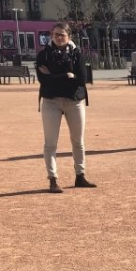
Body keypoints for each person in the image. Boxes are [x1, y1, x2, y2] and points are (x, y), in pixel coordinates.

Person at [36, 21, 95, 193]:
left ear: (69, 37)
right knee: (50, 143)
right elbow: (43, 80)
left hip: (74, 100)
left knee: (78, 141)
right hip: (50, 101)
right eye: (55, 34)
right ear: (51, 35)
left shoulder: (77, 54)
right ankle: (53, 179)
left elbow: (81, 79)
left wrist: (54, 76)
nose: (58, 38)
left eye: (62, 35)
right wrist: (66, 76)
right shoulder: (44, 55)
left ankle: (80, 176)